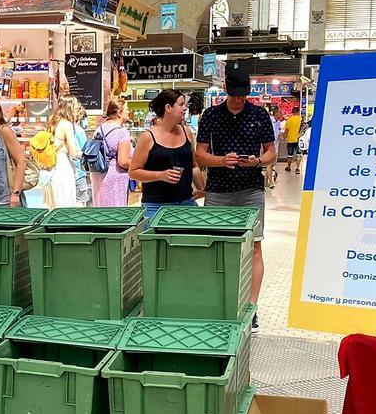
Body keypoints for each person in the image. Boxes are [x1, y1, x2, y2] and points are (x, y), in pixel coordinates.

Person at [196, 69, 277, 331]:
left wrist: (257, 161)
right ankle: (216, 303)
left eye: (243, 95)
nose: (239, 100)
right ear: (226, 91)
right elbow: (200, 155)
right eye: (235, 94)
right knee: (214, 247)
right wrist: (221, 161)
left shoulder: (259, 115)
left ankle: (251, 307)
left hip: (251, 190)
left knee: (254, 247)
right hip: (218, 192)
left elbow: (271, 153)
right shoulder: (211, 115)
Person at [130, 89, 196, 219]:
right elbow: (133, 172)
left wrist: (203, 189)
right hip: (155, 206)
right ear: (168, 108)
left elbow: (194, 166)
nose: (185, 108)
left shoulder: (186, 132)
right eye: (181, 104)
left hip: (186, 203)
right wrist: (161, 175)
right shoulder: (148, 137)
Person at [90, 99, 133, 208]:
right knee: (115, 213)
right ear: (119, 113)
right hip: (115, 177)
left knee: (101, 210)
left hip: (98, 174)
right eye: (127, 109)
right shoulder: (122, 132)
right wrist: (138, 166)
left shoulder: (99, 129)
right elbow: (123, 161)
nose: (129, 111)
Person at [43, 97, 83, 208]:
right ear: (70, 107)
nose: (78, 108)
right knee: (65, 203)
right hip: (63, 168)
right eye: (76, 106)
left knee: (53, 205)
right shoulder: (67, 125)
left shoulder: (54, 123)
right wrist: (80, 153)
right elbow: (72, 153)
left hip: (52, 168)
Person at [68, 97, 92, 206]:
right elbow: (84, 152)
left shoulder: (60, 127)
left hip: (66, 173)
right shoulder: (78, 131)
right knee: (79, 205)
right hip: (78, 173)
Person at [283, 103, 303, 175]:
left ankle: (288, 167)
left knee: (290, 155)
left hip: (290, 139)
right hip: (299, 139)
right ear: (298, 112)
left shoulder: (289, 119)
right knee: (298, 154)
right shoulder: (301, 119)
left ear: (292, 112)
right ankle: (297, 168)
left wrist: (284, 138)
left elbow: (286, 130)